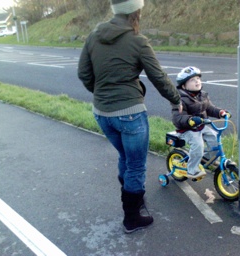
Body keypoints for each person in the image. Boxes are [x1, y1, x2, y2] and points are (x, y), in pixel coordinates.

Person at [77, 0, 182, 234]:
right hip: (130, 114)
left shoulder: (94, 36)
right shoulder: (137, 41)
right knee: (136, 165)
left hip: (102, 113)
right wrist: (176, 100)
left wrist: (103, 93)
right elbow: (159, 77)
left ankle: (134, 201)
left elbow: (83, 73)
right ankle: (132, 218)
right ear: (136, 12)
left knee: (125, 157)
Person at [172, 66, 231, 178]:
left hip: (201, 125)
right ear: (184, 85)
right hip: (187, 129)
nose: (197, 81)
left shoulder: (202, 95)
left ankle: (209, 159)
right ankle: (192, 170)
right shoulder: (179, 99)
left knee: (215, 138)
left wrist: (221, 112)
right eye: (192, 80)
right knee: (198, 146)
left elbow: (210, 108)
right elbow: (178, 118)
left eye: (198, 78)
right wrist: (190, 120)